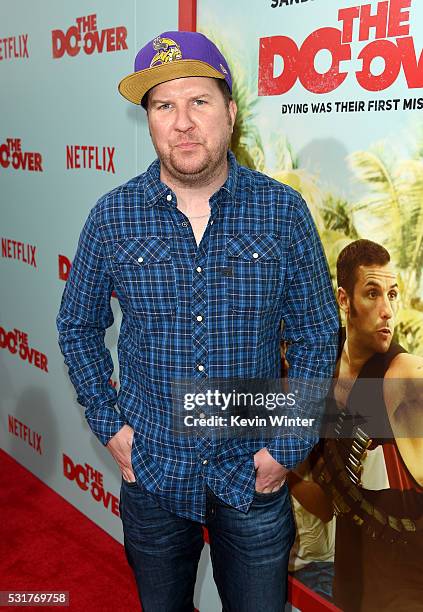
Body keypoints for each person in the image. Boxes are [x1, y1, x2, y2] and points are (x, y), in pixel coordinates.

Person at [56, 30, 339, 612]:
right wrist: (112, 429)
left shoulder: (282, 211)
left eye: (199, 101)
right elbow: (77, 326)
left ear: (230, 112)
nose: (182, 122)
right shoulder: (113, 216)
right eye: (164, 105)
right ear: (150, 121)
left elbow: (316, 335)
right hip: (152, 473)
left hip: (253, 474)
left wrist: (285, 449)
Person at [290, 239, 423, 611]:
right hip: (352, 589)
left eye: (392, 294)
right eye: (372, 294)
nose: (387, 310)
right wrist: (283, 466)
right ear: (344, 300)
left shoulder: (403, 376)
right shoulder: (321, 369)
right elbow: (330, 506)